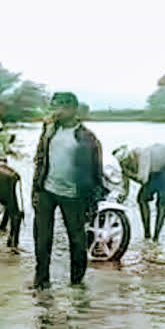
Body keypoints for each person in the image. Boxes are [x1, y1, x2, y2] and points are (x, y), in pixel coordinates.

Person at [31, 92, 108, 290]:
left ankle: (76, 283)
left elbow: (95, 169)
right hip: (47, 190)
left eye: (63, 106)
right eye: (55, 106)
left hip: (74, 194)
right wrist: (35, 190)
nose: (58, 111)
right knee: (42, 238)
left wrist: (93, 199)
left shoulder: (87, 137)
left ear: (74, 109)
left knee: (76, 239)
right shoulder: (49, 131)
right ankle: (41, 282)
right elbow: (40, 158)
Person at [112, 143, 165, 242]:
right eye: (122, 164)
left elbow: (143, 179)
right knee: (141, 199)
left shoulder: (141, 154)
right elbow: (125, 188)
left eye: (126, 163)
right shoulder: (124, 165)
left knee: (161, 202)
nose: (125, 165)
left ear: (130, 157)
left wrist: (127, 173)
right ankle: (147, 235)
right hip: (154, 167)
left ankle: (156, 237)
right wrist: (120, 201)